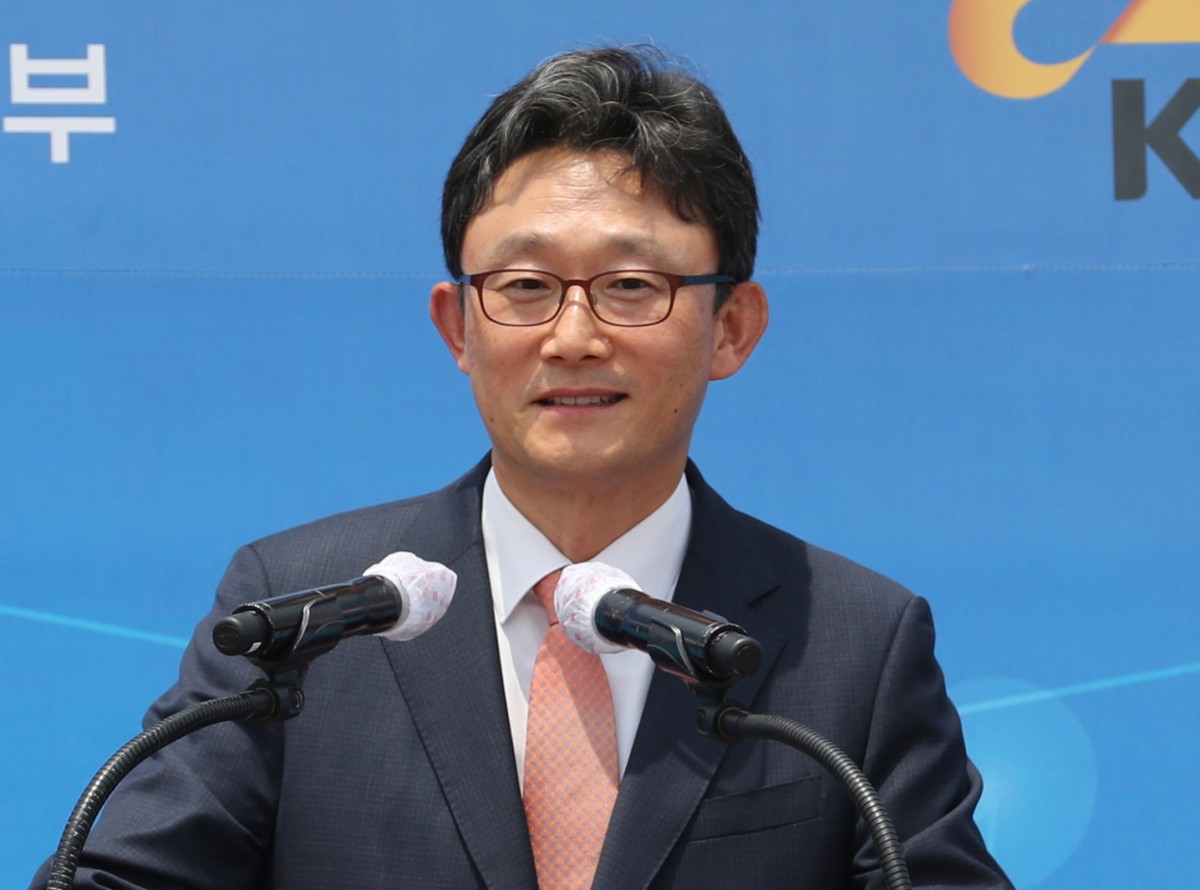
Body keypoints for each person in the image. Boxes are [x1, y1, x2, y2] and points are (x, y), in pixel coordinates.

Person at [33, 45, 1011, 889]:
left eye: (632, 285)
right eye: (526, 285)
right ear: (457, 326)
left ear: (732, 327)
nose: (573, 336)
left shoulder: (854, 642)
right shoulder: (305, 615)